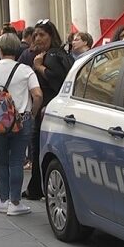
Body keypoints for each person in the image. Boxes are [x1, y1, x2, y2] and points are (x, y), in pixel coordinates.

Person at [0, 34, 42, 215]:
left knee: (2, 161)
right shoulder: (25, 70)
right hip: (22, 120)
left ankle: (2, 199)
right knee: (17, 161)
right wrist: (32, 113)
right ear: (17, 49)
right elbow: (37, 95)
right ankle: (15, 203)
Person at [19, 19, 74, 200]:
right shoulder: (56, 54)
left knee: (40, 148)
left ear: (51, 36)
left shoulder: (51, 56)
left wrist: (39, 67)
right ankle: (36, 186)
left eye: (42, 35)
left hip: (49, 109)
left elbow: (57, 79)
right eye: (35, 35)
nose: (37, 38)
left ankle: (37, 188)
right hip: (51, 108)